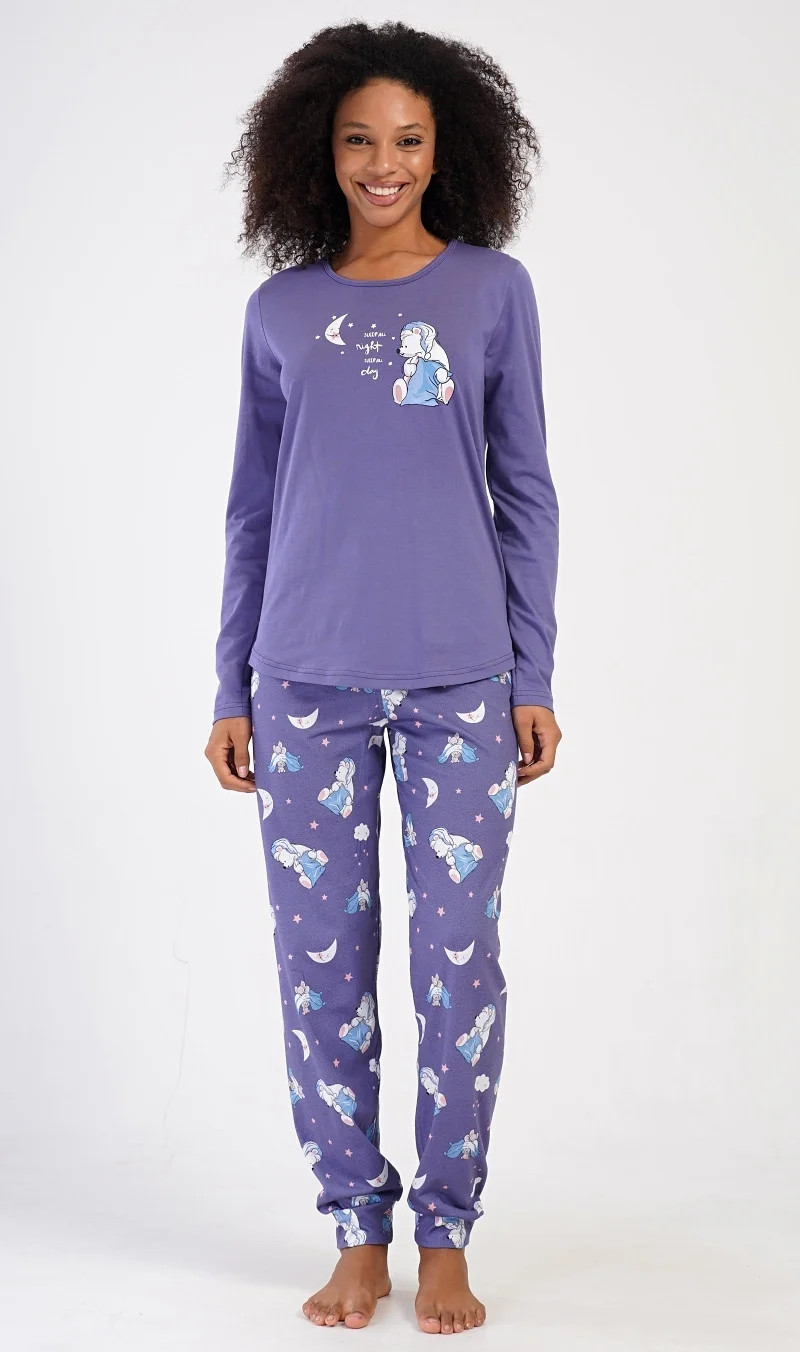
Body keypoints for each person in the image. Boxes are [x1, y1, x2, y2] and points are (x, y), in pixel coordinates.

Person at [204, 19, 562, 1335]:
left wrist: (533, 668)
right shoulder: (279, 312)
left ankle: (447, 1234)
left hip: (463, 680)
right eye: (359, 139)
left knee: (460, 973)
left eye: (408, 139)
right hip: (303, 684)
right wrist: (231, 687)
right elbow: (252, 512)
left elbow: (526, 491)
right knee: (324, 976)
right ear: (318, 151)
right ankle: (357, 1228)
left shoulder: (492, 293)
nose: (384, 163)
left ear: (446, 148)